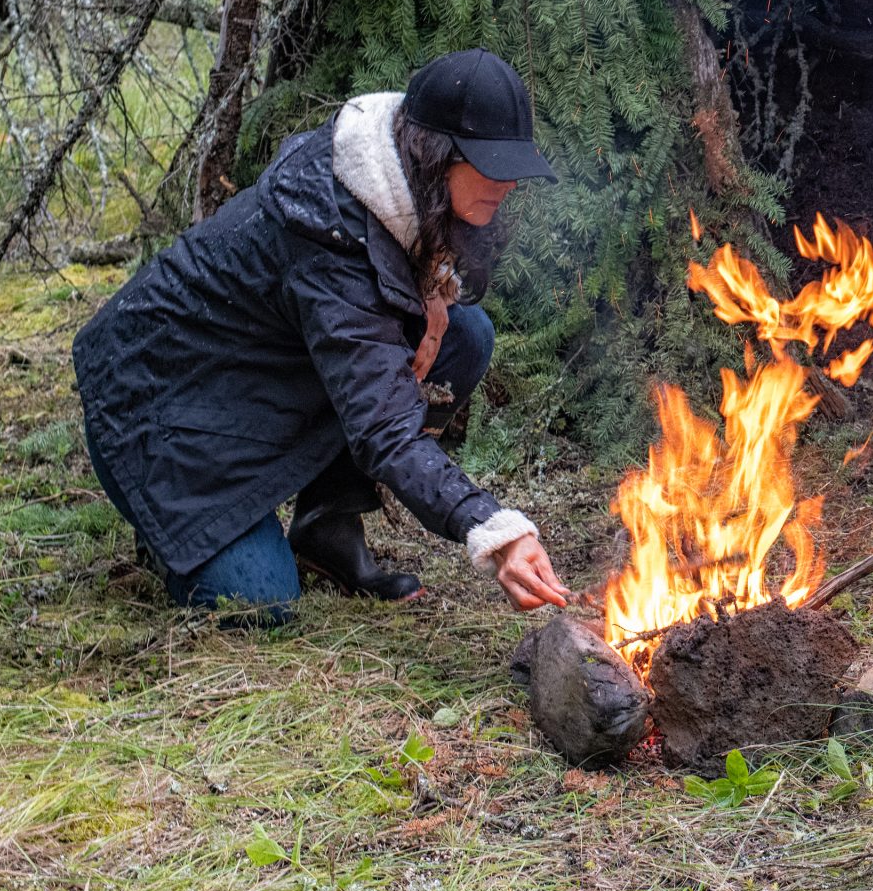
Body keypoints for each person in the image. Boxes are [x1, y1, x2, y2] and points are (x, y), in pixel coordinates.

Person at [75, 49, 573, 621]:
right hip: (157, 406)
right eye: (490, 164)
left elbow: (385, 286)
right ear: (438, 158)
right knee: (261, 603)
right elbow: (384, 426)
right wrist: (497, 533)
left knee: (462, 336)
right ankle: (170, 528)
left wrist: (434, 287)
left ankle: (325, 528)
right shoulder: (326, 235)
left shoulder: (396, 177)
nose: (508, 182)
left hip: (252, 376)